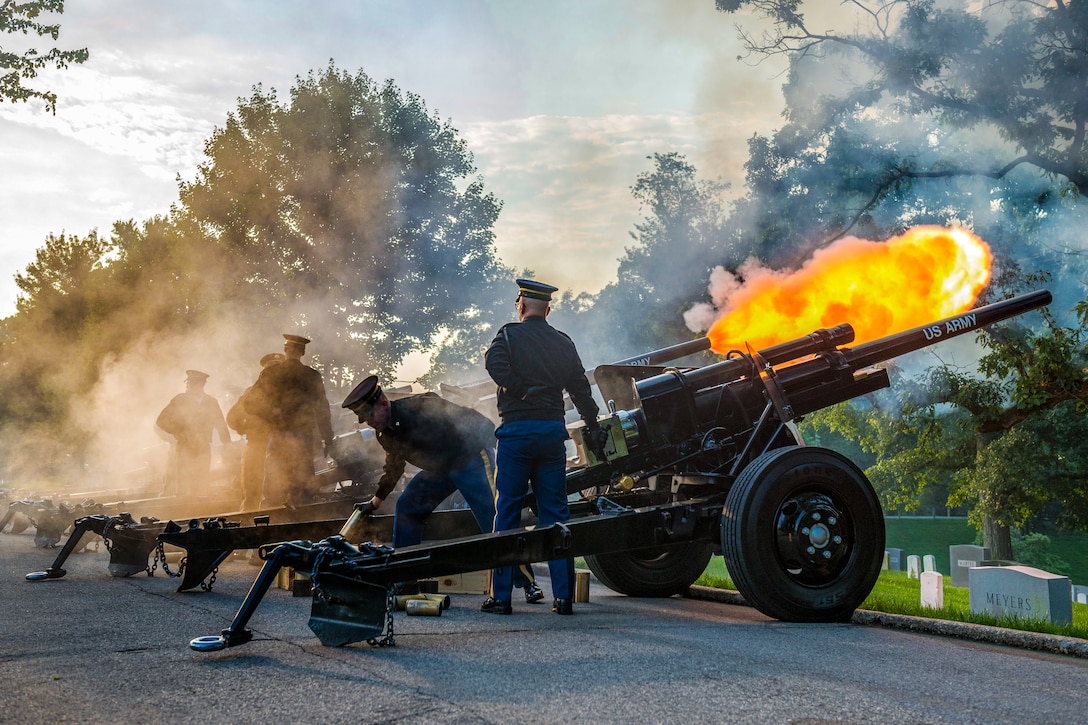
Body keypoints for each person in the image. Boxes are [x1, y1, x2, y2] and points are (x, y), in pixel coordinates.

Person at [341, 375, 543, 602]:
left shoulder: (422, 406)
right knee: (407, 506)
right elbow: (394, 467)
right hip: (440, 470)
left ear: (384, 403)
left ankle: (528, 583)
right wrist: (376, 502)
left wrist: (497, 445)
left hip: (469, 458)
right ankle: (404, 579)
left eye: (369, 414)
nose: (368, 422)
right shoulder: (384, 434)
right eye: (363, 418)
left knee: (495, 517)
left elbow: (465, 418)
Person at [481, 278, 608, 615]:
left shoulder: (507, 335)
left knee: (507, 512)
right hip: (553, 435)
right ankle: (563, 598)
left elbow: (493, 365)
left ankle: (502, 598)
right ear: (547, 309)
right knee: (555, 515)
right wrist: (593, 425)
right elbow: (581, 388)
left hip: (517, 435)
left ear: (522, 305)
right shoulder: (563, 343)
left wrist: (520, 390)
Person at [244, 334, 335, 507]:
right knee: (304, 493)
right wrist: (327, 438)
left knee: (273, 492)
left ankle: (269, 527)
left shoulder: (271, 374)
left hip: (278, 437)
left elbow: (249, 403)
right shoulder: (312, 376)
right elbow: (323, 410)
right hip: (304, 440)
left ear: (285, 350)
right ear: (302, 353)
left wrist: (271, 412)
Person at [155, 369, 233, 497]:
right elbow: (161, 421)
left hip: (203, 446)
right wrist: (178, 432)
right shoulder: (179, 399)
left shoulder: (211, 402)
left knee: (202, 481)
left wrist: (227, 444)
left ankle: (200, 510)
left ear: (201, 384)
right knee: (183, 482)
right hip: (185, 445)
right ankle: (183, 507)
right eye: (188, 384)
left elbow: (221, 424)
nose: (188, 386)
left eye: (191, 384)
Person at [226, 352, 284, 510]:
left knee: (260, 492)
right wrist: (245, 429)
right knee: (257, 490)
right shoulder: (256, 392)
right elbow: (232, 417)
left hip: (266, 445)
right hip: (264, 444)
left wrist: (245, 429)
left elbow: (232, 418)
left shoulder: (254, 392)